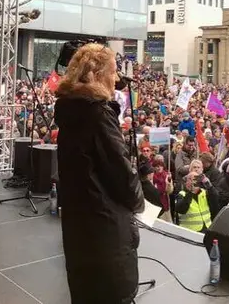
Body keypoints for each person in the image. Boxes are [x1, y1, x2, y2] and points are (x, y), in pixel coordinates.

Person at [54, 43, 145, 304]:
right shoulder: (98, 114)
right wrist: (138, 202)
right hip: (105, 224)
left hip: (80, 220)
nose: (116, 79)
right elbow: (121, 172)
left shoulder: (70, 108)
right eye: (113, 71)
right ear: (96, 74)